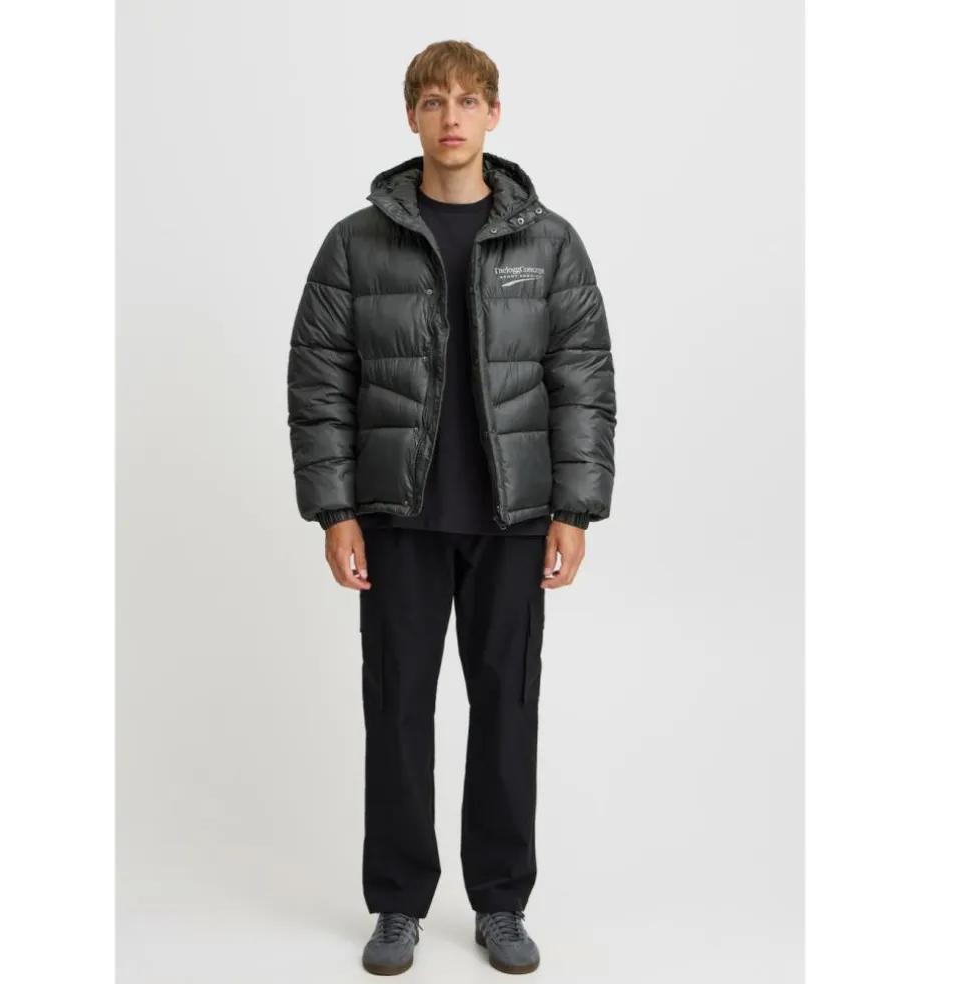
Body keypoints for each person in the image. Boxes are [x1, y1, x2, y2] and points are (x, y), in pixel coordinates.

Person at [286, 39, 616, 976]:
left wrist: (574, 509)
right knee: (397, 713)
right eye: (433, 102)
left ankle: (501, 903)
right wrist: (336, 513)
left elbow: (583, 380)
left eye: (468, 101)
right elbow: (318, 382)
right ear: (412, 117)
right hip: (398, 521)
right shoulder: (356, 244)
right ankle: (397, 903)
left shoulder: (550, 244)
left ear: (494, 115)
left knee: (507, 712)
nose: (451, 118)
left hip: (515, 522)